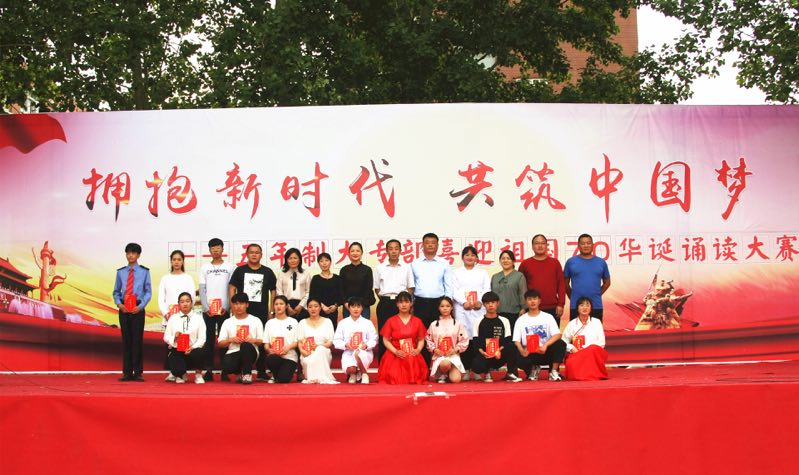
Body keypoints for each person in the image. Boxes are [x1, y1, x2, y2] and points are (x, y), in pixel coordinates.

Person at [228, 243, 276, 381]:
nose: (254, 254)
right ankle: (241, 370)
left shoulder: (267, 271)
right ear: (247, 254)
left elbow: (273, 291)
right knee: (241, 340)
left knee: (261, 340)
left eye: (257, 252)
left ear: (261, 255)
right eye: (251, 252)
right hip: (242, 312)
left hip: (261, 311)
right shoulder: (240, 270)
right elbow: (232, 287)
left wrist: (271, 310)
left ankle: (261, 371)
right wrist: (233, 306)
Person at [112, 242, 152, 382]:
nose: (130, 255)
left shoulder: (144, 272)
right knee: (126, 340)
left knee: (137, 341)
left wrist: (140, 306)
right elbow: (116, 292)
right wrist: (119, 304)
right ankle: (127, 372)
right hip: (124, 308)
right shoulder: (120, 272)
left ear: (138, 255)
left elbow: (148, 292)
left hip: (137, 308)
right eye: (128, 253)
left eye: (133, 253)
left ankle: (138, 372)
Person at [198, 238, 235, 382]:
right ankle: (208, 370)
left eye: (218, 247)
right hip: (208, 311)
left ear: (222, 249)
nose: (215, 250)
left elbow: (232, 288)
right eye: (212, 248)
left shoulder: (230, 267)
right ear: (209, 250)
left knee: (223, 340)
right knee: (208, 341)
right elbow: (202, 289)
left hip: (224, 310)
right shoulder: (205, 268)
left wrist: (227, 306)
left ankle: (225, 370)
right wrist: (206, 307)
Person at [157, 249, 196, 381]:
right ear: (171, 261)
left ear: (183, 261)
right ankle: (172, 372)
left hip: (184, 315)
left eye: (179, 259)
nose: (176, 262)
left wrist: (186, 311)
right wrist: (166, 313)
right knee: (170, 343)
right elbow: (161, 298)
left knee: (184, 341)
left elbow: (192, 297)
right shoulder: (165, 278)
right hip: (169, 317)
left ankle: (182, 371)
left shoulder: (188, 278)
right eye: (174, 259)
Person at [373, 239, 415, 360]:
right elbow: (377, 289)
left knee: (402, 333)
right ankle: (383, 364)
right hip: (385, 303)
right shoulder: (379, 268)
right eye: (391, 249)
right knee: (384, 334)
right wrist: (386, 299)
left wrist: (404, 301)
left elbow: (410, 287)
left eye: (396, 248)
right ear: (386, 251)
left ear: (400, 251)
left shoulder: (406, 267)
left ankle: (403, 362)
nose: (394, 251)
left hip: (402, 304)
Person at [452, 245, 490, 376]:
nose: (470, 257)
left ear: (476, 258)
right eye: (467, 255)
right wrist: (464, 302)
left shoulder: (482, 273)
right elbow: (454, 290)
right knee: (464, 338)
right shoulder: (456, 272)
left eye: (473, 255)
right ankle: (466, 369)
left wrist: (480, 301)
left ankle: (478, 370)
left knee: (477, 337)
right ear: (462, 257)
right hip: (462, 308)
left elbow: (486, 288)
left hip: (478, 308)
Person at [513, 289, 566, 381]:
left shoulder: (548, 317)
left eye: (535, 299)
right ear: (526, 302)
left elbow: (557, 335)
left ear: (539, 301)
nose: (532, 301)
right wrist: (522, 351)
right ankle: (532, 369)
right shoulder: (521, 320)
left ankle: (554, 371)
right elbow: (516, 340)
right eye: (529, 299)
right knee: (514, 351)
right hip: (530, 353)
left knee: (560, 344)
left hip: (545, 351)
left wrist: (545, 345)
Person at [471, 291, 522, 383]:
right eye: (487, 303)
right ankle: (487, 372)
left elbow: (507, 340)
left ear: (498, 303)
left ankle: (510, 373)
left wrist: (499, 350)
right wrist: (483, 353)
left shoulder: (504, 320)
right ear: (484, 305)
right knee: (476, 365)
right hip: (485, 355)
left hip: (499, 355)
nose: (490, 305)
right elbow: (476, 341)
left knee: (512, 346)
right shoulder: (478, 321)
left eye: (493, 302)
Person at [378, 291, 428, 384]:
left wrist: (418, 349)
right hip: (395, 354)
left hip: (412, 353)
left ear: (411, 303)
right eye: (401, 302)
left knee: (414, 370)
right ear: (397, 304)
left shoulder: (417, 321)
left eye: (406, 302)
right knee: (394, 377)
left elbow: (421, 339)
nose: (404, 305)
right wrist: (395, 351)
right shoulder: (390, 321)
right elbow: (385, 340)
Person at [518, 234, 566, 324]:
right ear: (532, 246)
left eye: (543, 243)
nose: (540, 246)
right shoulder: (525, 264)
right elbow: (520, 288)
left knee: (553, 333)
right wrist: (523, 307)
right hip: (531, 307)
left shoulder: (555, 263)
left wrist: (561, 304)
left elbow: (561, 284)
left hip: (552, 308)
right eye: (537, 243)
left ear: (546, 245)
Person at [218, 293, 264, 384]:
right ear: (232, 305)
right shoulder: (227, 322)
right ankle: (239, 373)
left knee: (245, 345)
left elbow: (262, 341)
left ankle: (247, 374)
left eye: (242, 303)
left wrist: (253, 340)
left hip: (251, 352)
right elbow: (220, 343)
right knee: (227, 364)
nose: (238, 306)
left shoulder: (255, 320)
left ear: (247, 305)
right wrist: (230, 340)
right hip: (233, 352)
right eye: (236, 304)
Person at [411, 233, 453, 329]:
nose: (430, 245)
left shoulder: (444, 263)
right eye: (427, 243)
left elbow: (448, 284)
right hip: (420, 303)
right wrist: (411, 303)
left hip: (438, 303)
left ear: (437, 245)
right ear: (422, 245)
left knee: (439, 331)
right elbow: (412, 285)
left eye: (433, 243)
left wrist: (447, 303)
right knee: (420, 331)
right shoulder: (415, 263)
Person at [564, 234, 611, 321]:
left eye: (588, 243)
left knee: (595, 329)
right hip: (576, 305)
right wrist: (573, 296)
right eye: (583, 243)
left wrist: (597, 293)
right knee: (576, 329)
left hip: (596, 305)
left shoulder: (601, 262)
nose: (586, 245)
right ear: (578, 246)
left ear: (593, 245)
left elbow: (607, 282)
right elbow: (565, 283)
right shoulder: (571, 262)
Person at [163, 292, 206, 384]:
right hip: (178, 350)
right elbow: (166, 337)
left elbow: (202, 338)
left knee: (200, 351)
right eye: (182, 302)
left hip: (193, 350)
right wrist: (174, 337)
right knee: (176, 363)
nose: (185, 304)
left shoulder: (198, 318)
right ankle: (180, 374)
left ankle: (198, 375)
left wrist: (192, 347)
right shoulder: (173, 318)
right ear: (178, 304)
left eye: (187, 301)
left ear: (191, 303)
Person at [333, 297, 378, 384]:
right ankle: (353, 373)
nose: (356, 309)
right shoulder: (343, 323)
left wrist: (366, 345)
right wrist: (346, 345)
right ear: (349, 308)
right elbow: (336, 340)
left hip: (364, 351)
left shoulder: (367, 323)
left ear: (362, 308)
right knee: (351, 369)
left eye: (358, 306)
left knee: (358, 353)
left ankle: (364, 373)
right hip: (349, 351)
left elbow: (374, 339)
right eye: (353, 307)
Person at [562, 297, 608, 381]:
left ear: (591, 308)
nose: (585, 308)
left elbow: (601, 342)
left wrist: (586, 350)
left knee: (593, 348)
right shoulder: (572, 324)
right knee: (570, 363)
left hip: (593, 353)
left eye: (587, 305)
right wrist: (571, 348)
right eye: (582, 305)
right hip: (577, 352)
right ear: (577, 308)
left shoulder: (597, 322)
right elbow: (563, 342)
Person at [425, 297, 468, 384]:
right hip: (439, 356)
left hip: (452, 355)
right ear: (439, 308)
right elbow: (428, 339)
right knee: (445, 363)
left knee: (456, 380)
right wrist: (434, 349)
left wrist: (455, 350)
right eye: (442, 306)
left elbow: (464, 340)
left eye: (448, 306)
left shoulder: (458, 324)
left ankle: (449, 372)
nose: (445, 308)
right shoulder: (433, 324)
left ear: (452, 308)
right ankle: (442, 373)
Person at [297, 298, 338, 384]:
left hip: (323, 351)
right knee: (307, 359)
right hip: (307, 352)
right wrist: (303, 351)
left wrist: (318, 347)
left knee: (321, 349)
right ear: (307, 308)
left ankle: (317, 377)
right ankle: (314, 376)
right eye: (310, 307)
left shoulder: (327, 322)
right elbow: (300, 342)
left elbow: (330, 342)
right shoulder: (302, 323)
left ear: (320, 308)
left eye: (316, 306)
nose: (313, 309)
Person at [263, 295, 299, 383]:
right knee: (271, 359)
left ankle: (280, 375)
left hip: (290, 356)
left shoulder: (293, 322)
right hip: (275, 356)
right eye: (276, 304)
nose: (278, 306)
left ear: (286, 306)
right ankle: (275, 375)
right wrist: (268, 350)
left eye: (281, 304)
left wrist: (288, 347)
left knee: (284, 379)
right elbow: (266, 344)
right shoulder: (269, 323)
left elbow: (297, 342)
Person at [490, 250, 527, 332]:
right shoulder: (495, 277)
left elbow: (523, 293)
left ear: (513, 261)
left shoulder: (519, 276)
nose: (505, 260)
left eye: (508, 258)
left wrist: (523, 309)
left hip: (514, 313)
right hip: (497, 313)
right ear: (500, 261)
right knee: (498, 336)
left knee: (512, 336)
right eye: (503, 258)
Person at [340, 242, 376, 319]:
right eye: (352, 251)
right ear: (349, 253)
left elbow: (368, 288)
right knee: (348, 326)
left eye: (357, 251)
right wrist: (345, 303)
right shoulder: (344, 270)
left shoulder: (367, 270)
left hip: (363, 306)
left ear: (361, 253)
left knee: (364, 326)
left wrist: (361, 305)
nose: (355, 253)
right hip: (348, 306)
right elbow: (341, 288)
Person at [308, 252, 343, 330]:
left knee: (332, 330)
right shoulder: (316, 278)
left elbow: (341, 295)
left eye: (326, 260)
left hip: (333, 311)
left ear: (330, 262)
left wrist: (335, 306)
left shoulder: (337, 278)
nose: (324, 263)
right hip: (319, 311)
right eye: (321, 261)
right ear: (318, 263)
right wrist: (322, 306)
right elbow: (312, 295)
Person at [276, 248, 311, 321]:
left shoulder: (306, 273)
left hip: (302, 306)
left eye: (295, 258)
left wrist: (300, 305)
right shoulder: (282, 274)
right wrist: (287, 306)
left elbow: (309, 291)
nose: (293, 260)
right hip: (286, 306)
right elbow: (279, 291)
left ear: (299, 259)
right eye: (290, 258)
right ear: (286, 260)